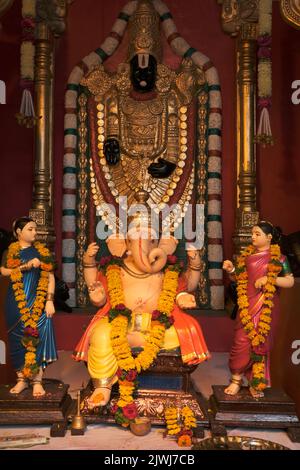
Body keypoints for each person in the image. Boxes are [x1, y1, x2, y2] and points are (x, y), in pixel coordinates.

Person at [223, 221, 294, 398]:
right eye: (252, 234)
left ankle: (256, 382)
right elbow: (239, 279)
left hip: (267, 307)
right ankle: (236, 380)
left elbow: (290, 281)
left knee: (261, 343)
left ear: (269, 237)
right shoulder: (248, 257)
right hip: (247, 306)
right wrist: (231, 269)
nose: (253, 237)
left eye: (257, 234)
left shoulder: (279, 258)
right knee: (241, 342)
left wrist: (270, 281)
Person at [0, 217, 57, 397]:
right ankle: (21, 380)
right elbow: (3, 272)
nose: (35, 232)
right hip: (15, 302)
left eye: (35, 229)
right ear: (19, 232)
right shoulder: (10, 252)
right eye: (30, 229)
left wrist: (49, 300)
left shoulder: (41, 252)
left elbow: (50, 277)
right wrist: (25, 266)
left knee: (37, 336)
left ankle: (37, 381)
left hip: (37, 301)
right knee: (17, 339)